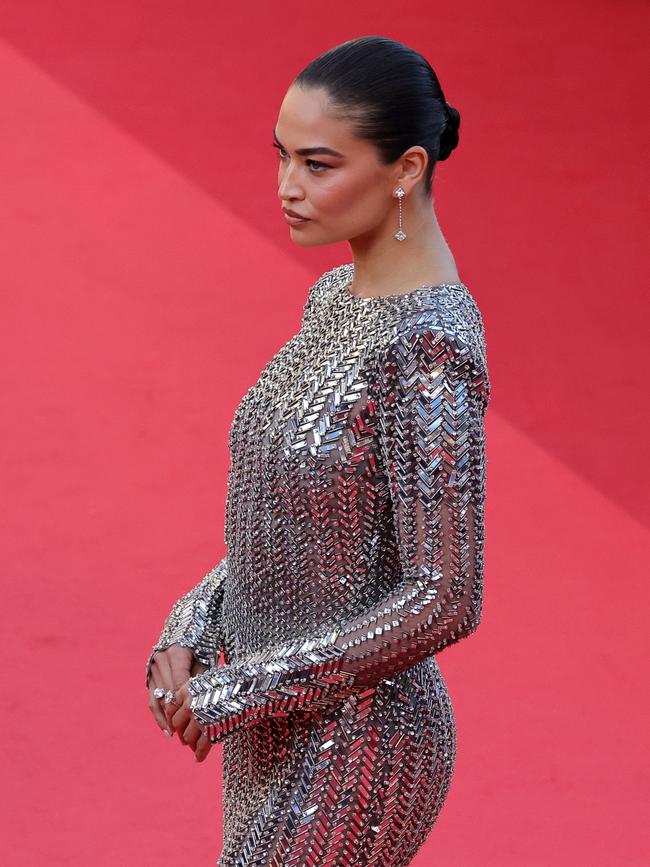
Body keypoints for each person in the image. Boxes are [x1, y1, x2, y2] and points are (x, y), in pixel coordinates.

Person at [145, 35, 491, 867]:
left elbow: (447, 594)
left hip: (362, 744)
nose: (286, 188)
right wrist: (193, 623)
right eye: (281, 156)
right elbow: (292, 520)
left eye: (318, 164)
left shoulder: (430, 349)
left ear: (406, 168)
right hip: (268, 728)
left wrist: (246, 685)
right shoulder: (335, 297)